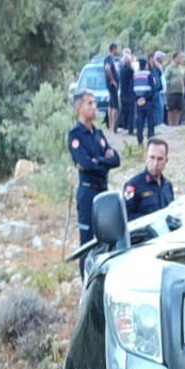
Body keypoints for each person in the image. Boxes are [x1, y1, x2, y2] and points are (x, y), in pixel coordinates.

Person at [67, 90, 121, 251]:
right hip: (88, 192)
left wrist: (98, 160)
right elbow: (85, 163)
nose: (94, 107)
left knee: (107, 237)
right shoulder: (75, 135)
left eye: (94, 103)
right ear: (79, 108)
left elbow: (116, 160)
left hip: (103, 190)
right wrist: (103, 161)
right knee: (88, 241)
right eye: (89, 103)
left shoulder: (98, 134)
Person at [123, 139, 175, 220]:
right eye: (152, 157)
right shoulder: (132, 186)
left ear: (166, 161)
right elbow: (126, 217)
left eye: (160, 159)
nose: (155, 163)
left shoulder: (167, 185)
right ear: (146, 157)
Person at [132, 57, 159, 146]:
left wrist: (138, 98)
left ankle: (140, 141)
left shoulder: (135, 75)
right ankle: (150, 140)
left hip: (139, 102)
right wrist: (145, 98)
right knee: (150, 122)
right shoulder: (149, 74)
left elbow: (131, 89)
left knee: (140, 123)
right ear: (146, 65)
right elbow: (153, 88)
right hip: (148, 101)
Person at [103, 43, 120, 132]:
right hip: (112, 86)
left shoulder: (111, 59)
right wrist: (113, 80)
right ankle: (113, 126)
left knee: (110, 105)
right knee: (114, 106)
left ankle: (111, 126)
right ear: (113, 49)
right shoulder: (109, 59)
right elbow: (107, 69)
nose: (117, 51)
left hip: (111, 86)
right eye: (116, 49)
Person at [165, 53, 185, 126]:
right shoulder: (169, 68)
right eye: (179, 58)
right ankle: (170, 123)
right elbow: (166, 78)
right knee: (171, 108)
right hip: (171, 91)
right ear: (174, 58)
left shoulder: (181, 68)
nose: (180, 59)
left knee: (178, 108)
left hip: (180, 90)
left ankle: (176, 123)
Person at [118, 49, 135, 134]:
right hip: (129, 93)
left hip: (123, 92)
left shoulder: (122, 70)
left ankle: (121, 126)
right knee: (131, 112)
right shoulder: (130, 70)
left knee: (123, 111)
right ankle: (130, 128)